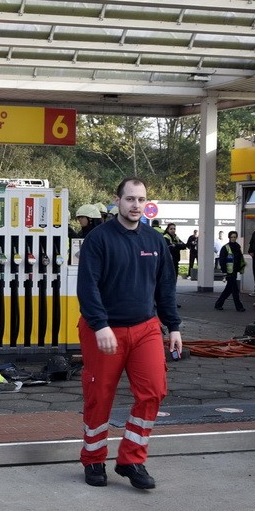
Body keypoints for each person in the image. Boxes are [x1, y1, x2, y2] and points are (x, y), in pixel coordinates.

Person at [76, 178, 182, 490]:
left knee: (154, 391)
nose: (136, 205)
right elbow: (87, 286)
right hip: (104, 330)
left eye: (141, 200)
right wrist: (100, 324)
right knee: (100, 396)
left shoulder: (155, 241)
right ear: (117, 201)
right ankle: (93, 459)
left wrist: (173, 326)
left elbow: (165, 287)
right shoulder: (99, 239)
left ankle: (131, 459)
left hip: (146, 328)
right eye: (130, 199)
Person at [214, 231, 246, 312]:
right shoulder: (225, 247)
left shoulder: (237, 246)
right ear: (229, 238)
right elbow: (222, 260)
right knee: (235, 290)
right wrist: (224, 272)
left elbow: (239, 258)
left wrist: (241, 267)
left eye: (235, 237)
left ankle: (218, 304)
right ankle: (239, 307)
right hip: (229, 272)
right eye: (232, 237)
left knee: (228, 290)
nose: (233, 238)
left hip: (234, 271)